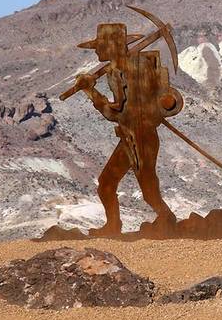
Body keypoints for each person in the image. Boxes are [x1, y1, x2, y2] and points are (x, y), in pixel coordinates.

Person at [72, 22, 183, 235]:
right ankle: (114, 226)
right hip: (130, 136)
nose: (96, 50)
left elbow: (120, 113)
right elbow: (121, 109)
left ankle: (166, 219)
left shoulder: (137, 67)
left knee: (148, 189)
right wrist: (93, 92)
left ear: (111, 46)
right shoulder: (116, 72)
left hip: (141, 138)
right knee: (107, 183)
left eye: (99, 46)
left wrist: (92, 93)